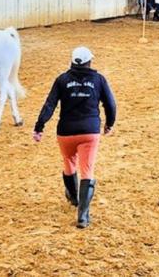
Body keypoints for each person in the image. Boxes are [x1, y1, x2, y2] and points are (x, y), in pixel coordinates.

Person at [33, 47, 116, 229]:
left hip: (66, 131)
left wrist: (39, 127)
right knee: (87, 170)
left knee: (69, 164)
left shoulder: (62, 80)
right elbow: (110, 104)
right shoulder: (99, 79)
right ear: (89, 62)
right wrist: (109, 124)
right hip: (89, 132)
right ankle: (83, 216)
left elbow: (50, 105)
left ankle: (74, 197)